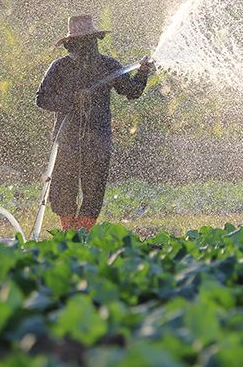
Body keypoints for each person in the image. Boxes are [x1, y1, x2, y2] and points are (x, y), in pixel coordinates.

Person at [36, 14, 155, 231]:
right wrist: (71, 100)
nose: (87, 46)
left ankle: (83, 235)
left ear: (96, 41)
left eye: (90, 40)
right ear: (71, 44)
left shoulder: (108, 65)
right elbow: (41, 99)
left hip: (98, 141)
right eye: (81, 41)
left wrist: (143, 73)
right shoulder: (60, 67)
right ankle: (68, 232)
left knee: (94, 191)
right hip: (66, 141)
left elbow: (131, 91)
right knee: (63, 191)